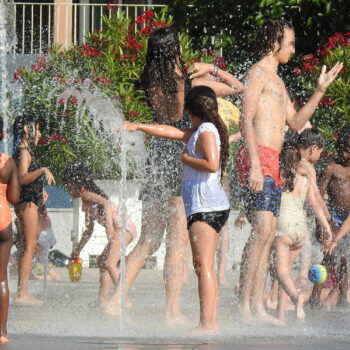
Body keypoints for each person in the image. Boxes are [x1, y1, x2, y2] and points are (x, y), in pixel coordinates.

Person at [105, 27, 242, 322]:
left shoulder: (150, 82)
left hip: (157, 157)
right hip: (183, 156)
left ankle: (116, 299)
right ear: (175, 49)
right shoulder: (190, 82)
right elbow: (237, 88)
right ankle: (172, 310)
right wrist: (213, 68)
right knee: (178, 242)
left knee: (148, 240)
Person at [232, 18, 342, 324]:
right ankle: (245, 307)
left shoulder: (279, 82)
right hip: (258, 157)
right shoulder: (257, 73)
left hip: (272, 158)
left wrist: (319, 91)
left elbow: (295, 124)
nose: (293, 49)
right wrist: (254, 162)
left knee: (267, 236)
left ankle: (254, 307)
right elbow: (245, 118)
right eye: (290, 43)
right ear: (274, 43)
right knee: (263, 232)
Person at [122, 85, 230, 333]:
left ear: (192, 110)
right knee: (203, 265)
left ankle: (208, 324)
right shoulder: (203, 129)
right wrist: (139, 126)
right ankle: (208, 322)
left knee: (203, 266)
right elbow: (171, 132)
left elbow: (212, 164)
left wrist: (186, 159)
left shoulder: (205, 131)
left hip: (206, 207)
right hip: (205, 206)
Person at [274, 129, 332, 322]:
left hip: (284, 225)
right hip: (300, 227)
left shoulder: (284, 168)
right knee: (288, 273)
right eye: (320, 152)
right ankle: (281, 316)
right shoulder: (307, 173)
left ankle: (296, 298)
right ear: (312, 148)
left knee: (280, 272)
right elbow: (314, 200)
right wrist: (326, 225)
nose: (319, 156)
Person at [62, 162, 136, 308]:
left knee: (109, 262)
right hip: (119, 229)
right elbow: (88, 231)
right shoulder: (85, 202)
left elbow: (106, 204)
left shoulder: (86, 194)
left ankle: (124, 299)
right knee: (102, 261)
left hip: (124, 228)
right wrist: (77, 249)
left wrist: (109, 226)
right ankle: (102, 300)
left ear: (75, 183)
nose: (67, 189)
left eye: (68, 185)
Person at [13, 114, 56, 305]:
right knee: (29, 246)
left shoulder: (25, 151)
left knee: (26, 246)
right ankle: (23, 293)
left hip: (30, 201)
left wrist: (41, 189)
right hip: (27, 203)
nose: (39, 134)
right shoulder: (23, 151)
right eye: (36, 129)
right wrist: (42, 171)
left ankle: (22, 291)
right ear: (26, 130)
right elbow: (22, 178)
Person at [320, 127, 350, 307]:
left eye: (349, 151)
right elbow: (319, 195)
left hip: (348, 218)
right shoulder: (332, 168)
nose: (345, 155)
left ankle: (341, 297)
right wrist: (325, 223)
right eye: (343, 150)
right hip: (334, 217)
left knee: (347, 258)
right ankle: (316, 295)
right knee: (328, 256)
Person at [0, 116, 20, 343]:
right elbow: (14, 198)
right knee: (1, 278)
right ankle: (2, 333)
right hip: (3, 222)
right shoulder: (8, 162)